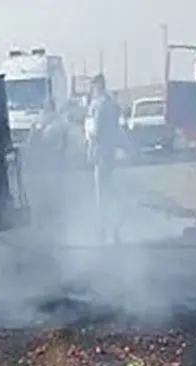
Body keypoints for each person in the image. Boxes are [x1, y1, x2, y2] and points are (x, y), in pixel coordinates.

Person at [85, 74, 121, 242]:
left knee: (101, 191)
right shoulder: (112, 103)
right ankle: (115, 222)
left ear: (97, 86)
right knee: (110, 187)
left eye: (93, 86)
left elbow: (96, 130)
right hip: (109, 151)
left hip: (100, 151)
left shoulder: (99, 104)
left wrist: (89, 134)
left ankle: (103, 226)